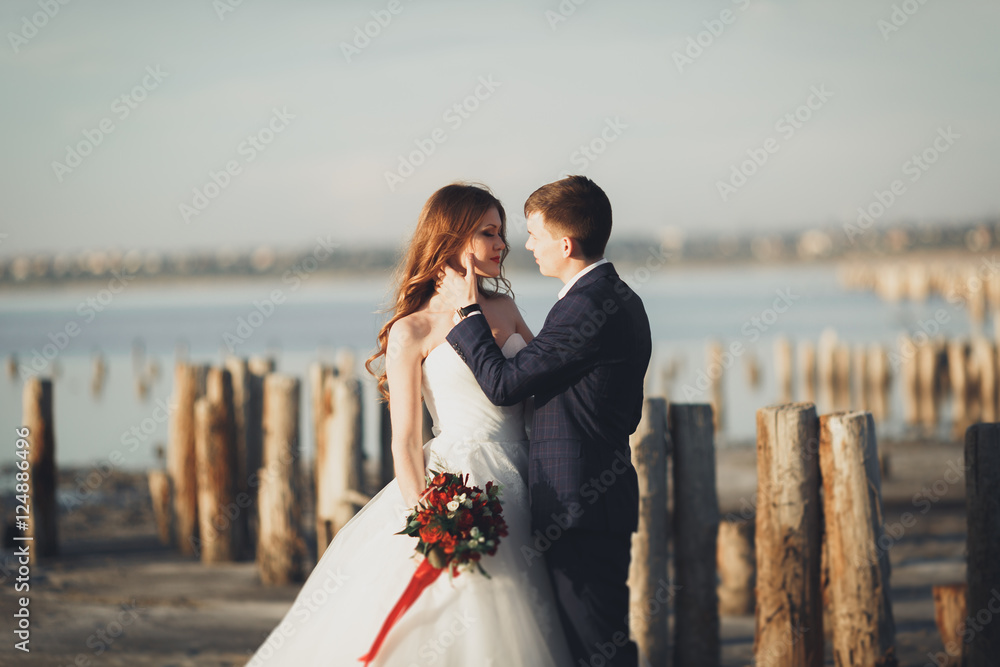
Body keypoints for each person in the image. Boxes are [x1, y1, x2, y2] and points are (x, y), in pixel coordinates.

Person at [245, 183, 573, 666]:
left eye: (501, 232)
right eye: (489, 233)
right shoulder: (411, 329)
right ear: (453, 238)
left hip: (529, 473)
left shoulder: (506, 309)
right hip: (458, 481)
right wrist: (431, 520)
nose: (502, 244)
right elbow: (404, 443)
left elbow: (541, 384)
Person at [440, 175, 652, 667]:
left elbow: (505, 385)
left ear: (566, 243)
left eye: (533, 234)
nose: (524, 245)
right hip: (591, 497)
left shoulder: (586, 306)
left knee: (595, 645)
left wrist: (468, 314)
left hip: (581, 503)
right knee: (593, 641)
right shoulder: (615, 296)